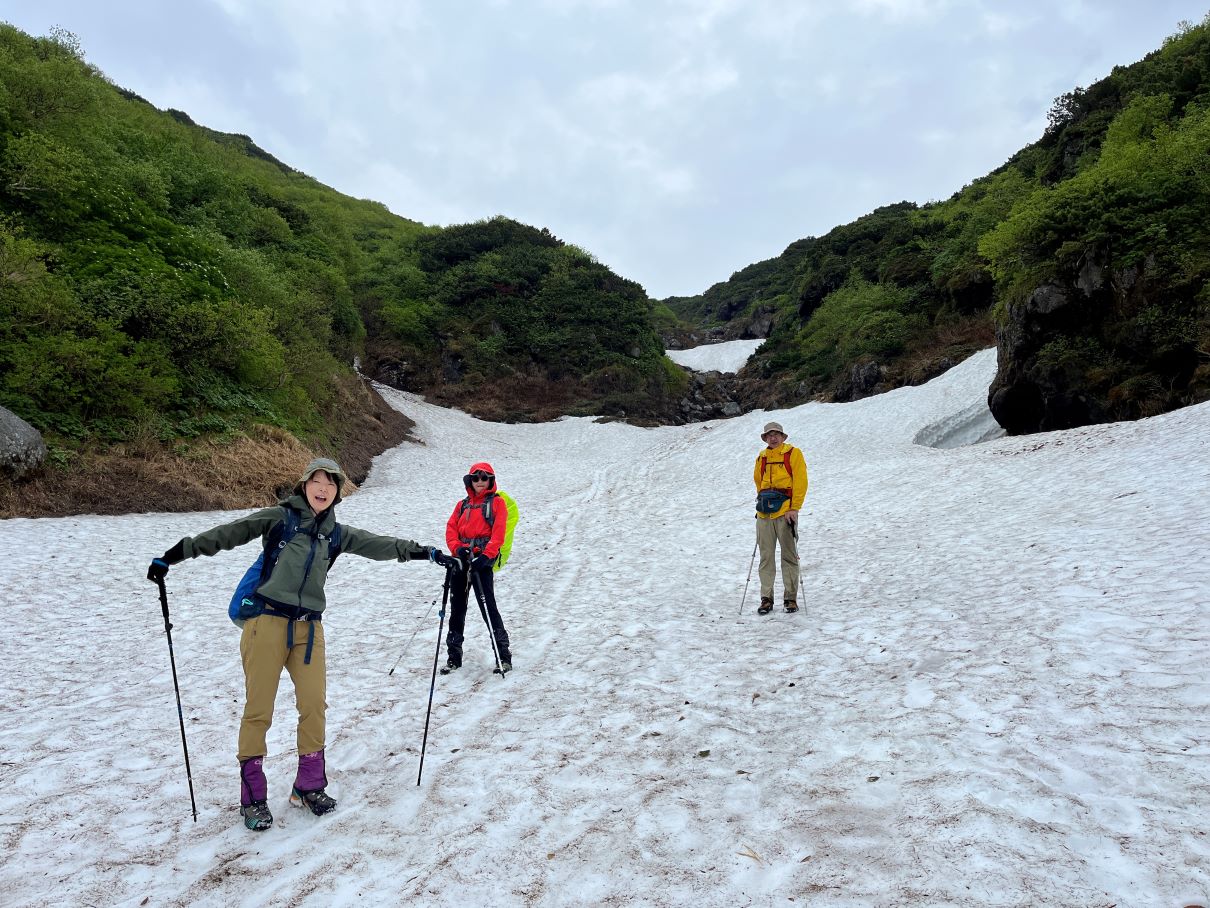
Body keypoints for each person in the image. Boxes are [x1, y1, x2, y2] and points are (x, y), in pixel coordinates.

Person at [145, 457, 456, 831]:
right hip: (267, 623)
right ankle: (253, 797)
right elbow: (227, 533)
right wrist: (172, 557)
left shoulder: (336, 534)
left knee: (313, 705)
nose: (323, 488)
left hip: (309, 629)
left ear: (338, 492)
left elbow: (379, 545)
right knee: (259, 708)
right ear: (304, 485)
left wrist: (429, 553)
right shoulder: (279, 518)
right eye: (316, 481)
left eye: (331, 483)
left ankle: (308, 786)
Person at [441, 462, 512, 675]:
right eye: (476, 478)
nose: (480, 481)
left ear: (491, 480)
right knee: (457, 609)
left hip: (482, 562)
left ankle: (504, 657)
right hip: (461, 561)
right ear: (469, 480)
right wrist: (457, 548)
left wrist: (487, 555)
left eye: (484, 477)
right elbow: (451, 528)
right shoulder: (462, 505)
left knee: (488, 608)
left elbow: (499, 532)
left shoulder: (497, 503)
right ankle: (453, 658)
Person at [752, 422, 808, 615]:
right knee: (766, 557)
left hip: (786, 512)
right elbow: (758, 482)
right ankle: (766, 598)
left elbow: (801, 481)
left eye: (776, 434)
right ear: (765, 438)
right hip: (764, 514)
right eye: (769, 435)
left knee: (789, 556)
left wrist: (794, 508)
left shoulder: (794, 454)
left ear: (783, 437)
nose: (773, 438)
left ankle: (790, 598)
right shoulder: (762, 457)